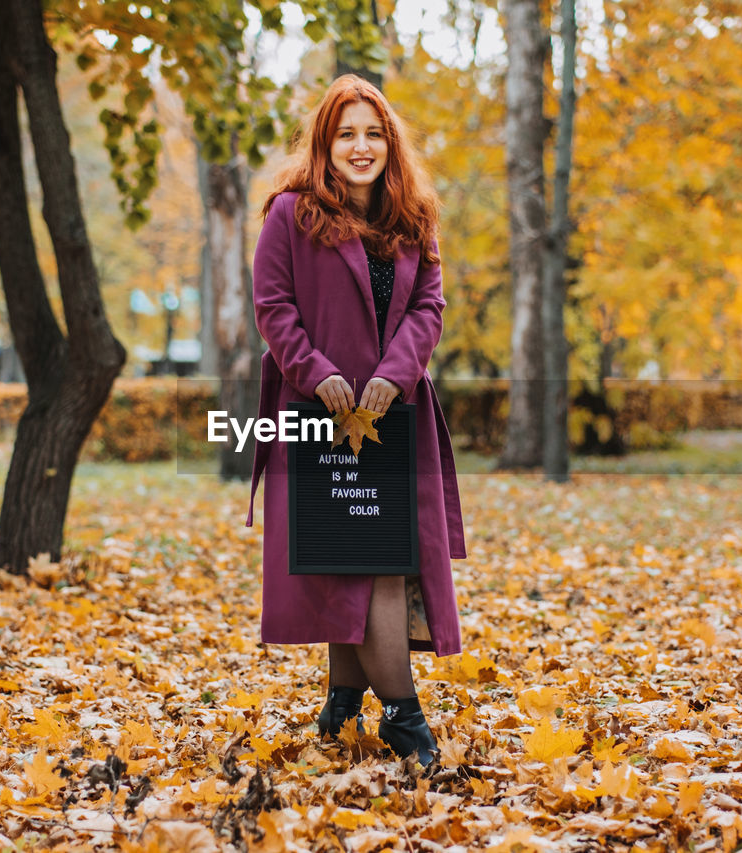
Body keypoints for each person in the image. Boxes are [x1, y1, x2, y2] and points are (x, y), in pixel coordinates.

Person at [244, 75, 466, 768]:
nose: (361, 146)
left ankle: (345, 704)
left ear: (389, 141)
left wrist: (391, 376)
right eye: (347, 134)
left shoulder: (414, 218)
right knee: (354, 559)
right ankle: (403, 716)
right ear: (325, 143)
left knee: (381, 563)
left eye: (373, 133)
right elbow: (273, 305)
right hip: (317, 416)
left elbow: (429, 307)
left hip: (391, 417)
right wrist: (319, 374)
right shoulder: (290, 213)